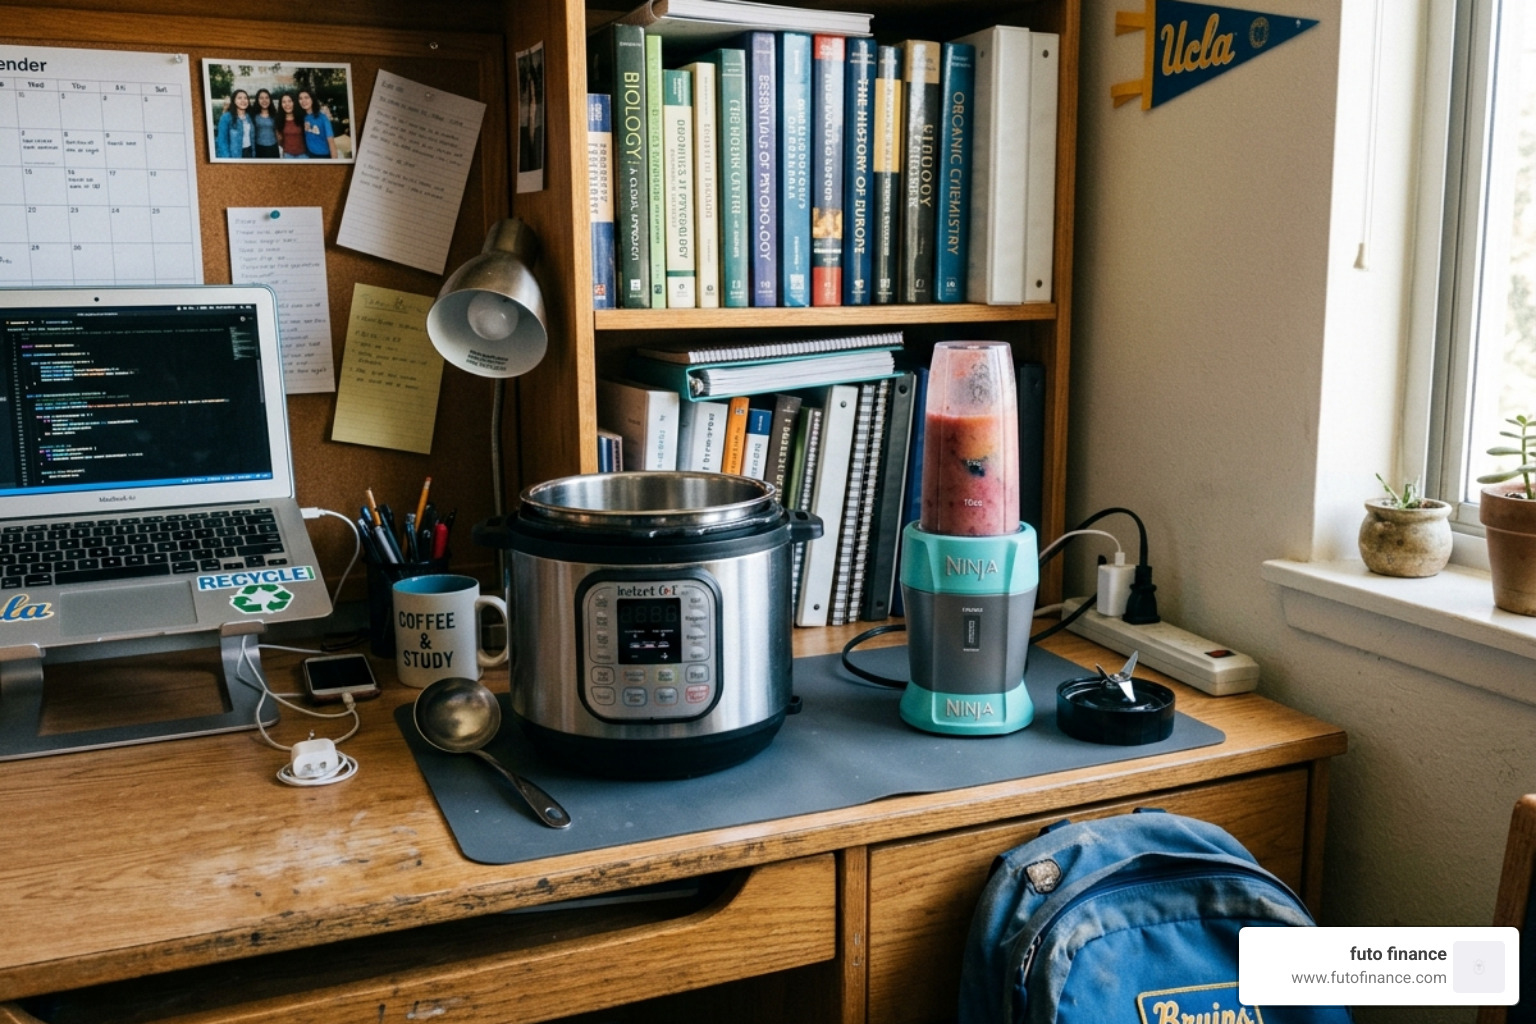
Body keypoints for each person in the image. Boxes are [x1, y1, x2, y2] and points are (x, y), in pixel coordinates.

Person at [214, 89, 255, 159]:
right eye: (239, 98)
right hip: (235, 155)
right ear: (234, 101)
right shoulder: (226, 117)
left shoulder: (250, 116)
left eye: (245, 98)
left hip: (250, 153)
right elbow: (222, 141)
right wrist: (227, 159)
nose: (243, 100)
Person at [298, 89, 337, 159]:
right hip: (309, 154)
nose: (303, 101)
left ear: (312, 99)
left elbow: (331, 142)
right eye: (300, 98)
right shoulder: (302, 117)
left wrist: (334, 161)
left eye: (306, 97)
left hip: (323, 156)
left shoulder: (322, 117)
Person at [276, 92, 306, 159]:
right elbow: (280, 140)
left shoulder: (302, 117)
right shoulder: (279, 120)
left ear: (294, 102)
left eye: (289, 101)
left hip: (303, 155)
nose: (287, 104)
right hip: (288, 155)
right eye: (284, 102)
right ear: (281, 105)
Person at [251, 89, 279, 159]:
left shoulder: (275, 115)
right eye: (261, 98)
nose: (264, 100)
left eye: (267, 98)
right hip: (259, 148)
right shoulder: (253, 115)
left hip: (273, 148)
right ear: (257, 100)